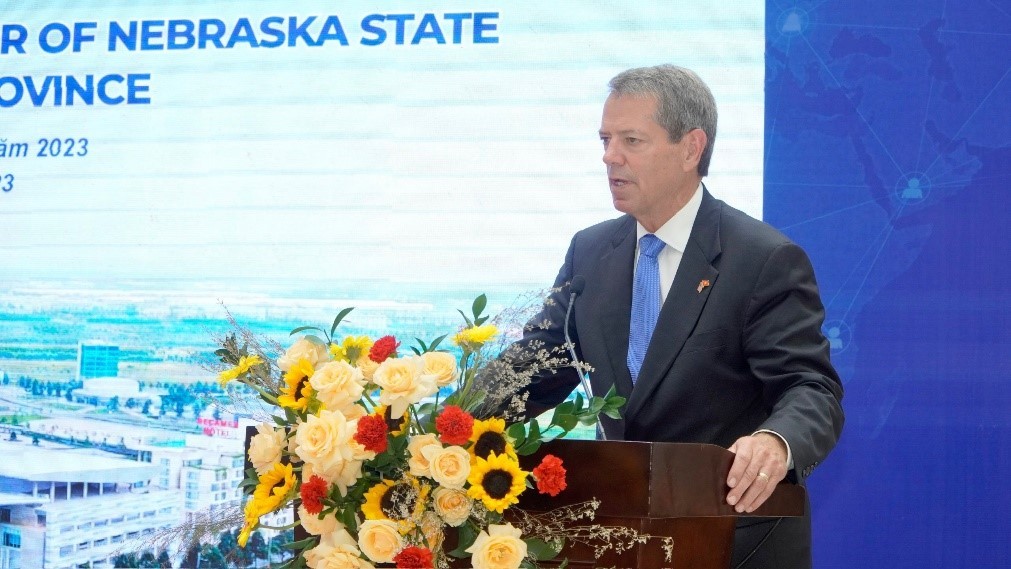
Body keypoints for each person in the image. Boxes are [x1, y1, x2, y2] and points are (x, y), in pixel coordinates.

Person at [518, 64, 845, 568]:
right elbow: (535, 368)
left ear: (692, 148)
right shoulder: (590, 251)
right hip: (615, 535)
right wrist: (440, 425)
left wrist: (776, 442)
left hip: (729, 538)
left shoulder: (762, 259)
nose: (610, 157)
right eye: (605, 139)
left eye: (631, 140)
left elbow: (810, 387)